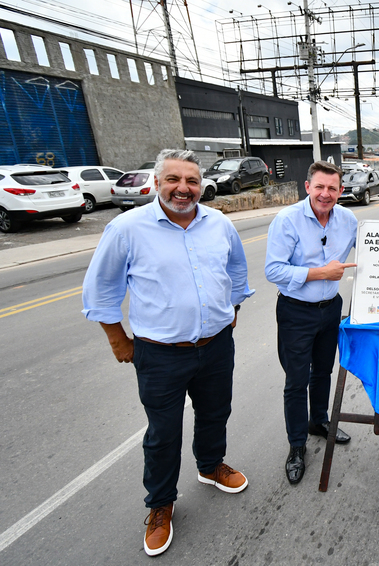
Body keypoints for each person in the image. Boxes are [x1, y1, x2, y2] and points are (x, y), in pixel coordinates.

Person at [82, 149, 253, 556]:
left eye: (192, 181)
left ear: (201, 185)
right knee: (163, 433)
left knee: (216, 412)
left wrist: (232, 311)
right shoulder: (127, 228)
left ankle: (211, 466)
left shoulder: (219, 224)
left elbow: (237, 272)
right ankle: (160, 504)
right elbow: (101, 289)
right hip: (160, 354)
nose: (183, 188)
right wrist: (117, 339)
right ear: (157, 183)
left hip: (215, 347)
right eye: (174, 180)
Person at [265, 161, 379, 485]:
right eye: (319, 187)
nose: (325, 194)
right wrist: (319, 273)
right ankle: (297, 446)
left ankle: (319, 421)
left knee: (322, 371)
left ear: (341, 191)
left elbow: (372, 247)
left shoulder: (347, 219)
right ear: (307, 187)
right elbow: (274, 270)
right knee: (296, 381)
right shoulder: (287, 221)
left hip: (331, 309)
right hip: (296, 312)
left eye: (332, 188)